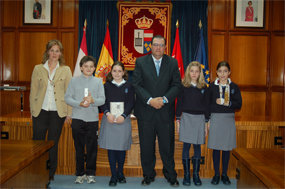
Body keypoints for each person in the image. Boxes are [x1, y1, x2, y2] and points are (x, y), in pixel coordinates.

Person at [132, 35, 182, 186]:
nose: (158, 48)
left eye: (161, 45)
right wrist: (150, 100)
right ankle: (148, 175)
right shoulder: (141, 62)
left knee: (167, 147)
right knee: (146, 147)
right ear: (151, 46)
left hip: (165, 111)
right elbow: (136, 84)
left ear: (165, 47)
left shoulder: (172, 62)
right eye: (155, 45)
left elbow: (176, 85)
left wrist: (164, 100)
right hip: (146, 111)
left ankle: (170, 175)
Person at [30, 39, 72, 180]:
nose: (54, 53)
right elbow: (33, 91)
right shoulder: (38, 68)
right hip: (40, 111)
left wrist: (69, 114)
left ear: (61, 54)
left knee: (52, 143)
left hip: (57, 112)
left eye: (57, 51)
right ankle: (36, 171)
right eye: (52, 50)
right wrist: (32, 111)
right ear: (47, 51)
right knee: (38, 143)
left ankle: (50, 174)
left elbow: (69, 92)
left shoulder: (65, 70)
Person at [64, 56, 105, 184]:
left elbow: (102, 100)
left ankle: (91, 173)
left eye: (91, 66)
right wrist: (79, 104)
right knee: (79, 148)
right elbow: (67, 98)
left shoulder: (98, 81)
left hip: (92, 120)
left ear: (94, 68)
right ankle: (80, 173)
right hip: (77, 119)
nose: (89, 69)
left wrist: (93, 101)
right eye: (86, 66)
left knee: (92, 148)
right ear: (81, 67)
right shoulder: (74, 81)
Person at [98, 61, 135, 187]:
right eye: (115, 71)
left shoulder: (129, 86)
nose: (117, 73)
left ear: (124, 72)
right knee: (111, 148)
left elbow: (131, 103)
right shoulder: (106, 86)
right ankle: (113, 175)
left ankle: (121, 173)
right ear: (111, 72)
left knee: (121, 147)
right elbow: (102, 102)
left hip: (123, 120)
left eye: (120, 71)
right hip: (109, 119)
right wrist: (108, 113)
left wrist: (123, 116)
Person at [207, 61, 242, 185]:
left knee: (226, 148)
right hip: (216, 119)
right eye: (220, 71)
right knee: (216, 148)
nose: (222, 74)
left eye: (225, 71)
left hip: (228, 120)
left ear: (229, 72)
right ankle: (216, 174)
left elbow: (239, 104)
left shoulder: (234, 87)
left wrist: (228, 103)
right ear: (216, 72)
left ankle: (224, 174)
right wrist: (208, 120)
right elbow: (207, 104)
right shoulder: (211, 86)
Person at [175, 61, 209, 186]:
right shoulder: (183, 86)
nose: (194, 73)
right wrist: (178, 120)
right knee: (186, 147)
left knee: (197, 147)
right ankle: (186, 176)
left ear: (200, 73)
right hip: (186, 118)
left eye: (197, 71)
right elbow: (179, 103)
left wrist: (206, 122)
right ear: (188, 72)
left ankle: (196, 175)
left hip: (200, 119)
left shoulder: (204, 87)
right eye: (192, 71)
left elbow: (206, 106)